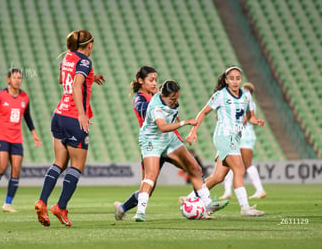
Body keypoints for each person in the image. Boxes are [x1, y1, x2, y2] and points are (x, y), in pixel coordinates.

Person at [34, 30, 105, 227]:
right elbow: (75, 86)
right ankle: (60, 207)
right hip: (74, 118)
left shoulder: (68, 57)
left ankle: (42, 201)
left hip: (58, 114)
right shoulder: (84, 61)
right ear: (89, 45)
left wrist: (92, 78)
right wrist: (82, 114)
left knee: (59, 162)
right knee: (77, 166)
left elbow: (62, 80)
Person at [133, 80, 228, 222]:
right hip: (151, 140)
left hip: (168, 139)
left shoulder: (171, 101)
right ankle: (140, 212)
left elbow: (168, 124)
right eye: (172, 99)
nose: (175, 101)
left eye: (177, 98)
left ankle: (208, 204)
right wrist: (186, 122)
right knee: (151, 175)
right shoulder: (156, 107)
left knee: (195, 168)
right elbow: (163, 127)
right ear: (163, 95)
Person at [185, 66, 265, 216]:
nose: (235, 81)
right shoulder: (220, 95)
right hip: (223, 136)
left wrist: (256, 121)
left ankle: (189, 199)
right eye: (232, 78)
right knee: (239, 169)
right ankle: (245, 208)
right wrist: (193, 131)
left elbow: (250, 116)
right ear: (226, 80)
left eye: (238, 78)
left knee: (218, 177)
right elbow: (203, 112)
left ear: (241, 80)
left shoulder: (246, 96)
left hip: (234, 138)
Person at [113, 66, 189, 221]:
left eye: (156, 80)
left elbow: (173, 114)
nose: (155, 83)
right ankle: (123, 208)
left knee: (193, 169)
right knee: (149, 186)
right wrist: (159, 99)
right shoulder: (139, 99)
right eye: (151, 80)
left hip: (168, 141)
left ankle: (200, 202)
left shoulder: (160, 97)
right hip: (152, 144)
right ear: (141, 81)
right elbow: (147, 112)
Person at [0, 68, 42, 213]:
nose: (17, 80)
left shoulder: (25, 97)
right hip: (1, 136)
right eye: (14, 78)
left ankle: (7, 204)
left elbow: (27, 116)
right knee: (1, 167)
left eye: (20, 78)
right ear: (8, 79)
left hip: (17, 138)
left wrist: (34, 133)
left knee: (16, 171)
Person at [220, 82, 266, 200]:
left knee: (246, 163)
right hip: (240, 136)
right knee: (232, 163)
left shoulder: (250, 104)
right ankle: (227, 191)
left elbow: (245, 119)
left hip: (245, 136)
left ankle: (260, 190)